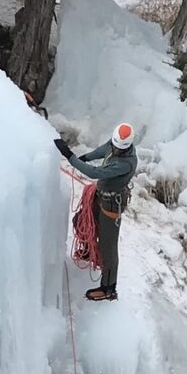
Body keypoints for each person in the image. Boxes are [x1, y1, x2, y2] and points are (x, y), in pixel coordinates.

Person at [56, 120, 137, 301]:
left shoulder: (126, 163)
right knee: (81, 220)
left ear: (126, 147)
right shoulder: (116, 145)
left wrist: (70, 157)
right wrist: (84, 158)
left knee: (108, 247)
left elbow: (95, 173)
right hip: (101, 195)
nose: (115, 149)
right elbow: (103, 150)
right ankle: (88, 250)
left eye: (119, 148)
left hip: (112, 204)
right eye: (115, 146)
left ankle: (108, 288)